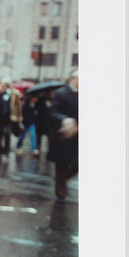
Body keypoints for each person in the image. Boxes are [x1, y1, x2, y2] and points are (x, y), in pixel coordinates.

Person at [47, 69, 79, 204]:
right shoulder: (61, 93)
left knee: (77, 165)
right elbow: (52, 111)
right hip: (63, 135)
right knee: (61, 165)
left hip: (78, 134)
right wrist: (64, 119)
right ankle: (61, 193)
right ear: (72, 79)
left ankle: (62, 179)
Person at [0, 78, 22, 155]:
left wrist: (18, 117)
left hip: (9, 117)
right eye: (2, 86)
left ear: (8, 86)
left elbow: (18, 106)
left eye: (4, 86)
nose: (2, 88)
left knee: (7, 133)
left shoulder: (14, 94)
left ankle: (7, 149)